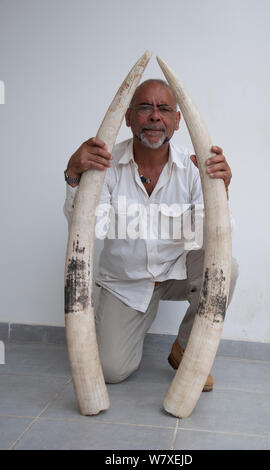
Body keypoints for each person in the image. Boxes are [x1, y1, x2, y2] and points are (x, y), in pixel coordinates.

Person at [63, 79, 239, 391]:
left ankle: (186, 351)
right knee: (110, 370)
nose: (155, 116)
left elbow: (213, 235)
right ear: (128, 118)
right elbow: (89, 227)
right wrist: (74, 175)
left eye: (164, 109)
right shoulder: (106, 164)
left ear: (177, 120)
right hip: (125, 282)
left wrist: (219, 192)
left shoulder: (193, 166)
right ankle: (124, 327)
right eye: (145, 107)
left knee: (228, 268)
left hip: (177, 271)